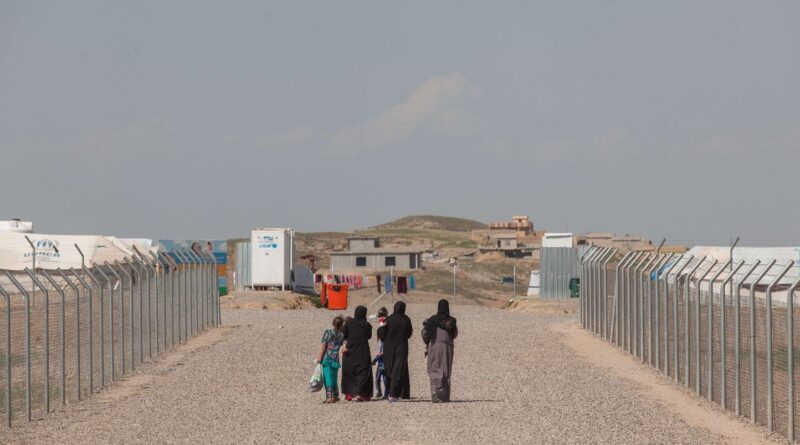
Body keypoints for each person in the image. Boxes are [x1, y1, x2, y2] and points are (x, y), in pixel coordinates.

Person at [422, 299, 458, 403]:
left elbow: (425, 334)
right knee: (446, 369)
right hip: (447, 347)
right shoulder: (451, 321)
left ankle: (434, 392)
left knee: (434, 367)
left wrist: (427, 344)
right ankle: (444, 395)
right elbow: (454, 334)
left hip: (434, 345)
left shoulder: (432, 320)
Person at [378, 301, 413, 402]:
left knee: (389, 368)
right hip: (401, 347)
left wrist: (381, 326)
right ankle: (395, 393)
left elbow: (381, 334)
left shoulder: (388, 319)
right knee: (399, 369)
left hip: (389, 348)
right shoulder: (406, 319)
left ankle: (390, 392)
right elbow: (409, 334)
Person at [341, 306, 373, 401]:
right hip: (363, 351)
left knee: (349, 372)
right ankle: (360, 393)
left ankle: (349, 394)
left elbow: (344, 335)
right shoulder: (366, 325)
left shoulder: (348, 323)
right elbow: (369, 336)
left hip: (350, 350)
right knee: (363, 372)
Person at [316, 316, 345, 404]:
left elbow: (324, 345)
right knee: (334, 378)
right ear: (341, 325)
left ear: (332, 323)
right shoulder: (341, 335)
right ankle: (335, 395)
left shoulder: (328, 333)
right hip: (335, 359)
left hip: (327, 359)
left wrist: (319, 357)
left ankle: (329, 397)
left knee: (327, 378)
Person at [372, 307, 389, 399]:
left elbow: (381, 352)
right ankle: (379, 392)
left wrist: (374, 359)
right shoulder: (381, 330)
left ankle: (385, 393)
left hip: (383, 361)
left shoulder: (384, 340)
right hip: (381, 362)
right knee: (378, 378)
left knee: (384, 379)